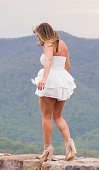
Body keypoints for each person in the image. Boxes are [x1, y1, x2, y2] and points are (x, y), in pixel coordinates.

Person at [31, 22, 77, 161]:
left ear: (42, 33)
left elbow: (49, 60)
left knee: (46, 116)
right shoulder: (62, 43)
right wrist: (61, 80)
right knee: (58, 116)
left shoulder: (48, 44)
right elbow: (67, 65)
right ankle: (69, 145)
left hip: (50, 80)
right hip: (62, 80)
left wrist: (44, 78)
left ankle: (47, 148)